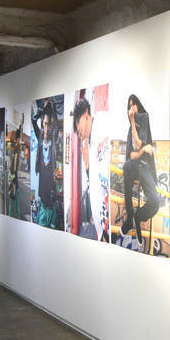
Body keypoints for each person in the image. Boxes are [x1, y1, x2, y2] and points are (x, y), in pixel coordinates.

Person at [120, 94, 158, 247]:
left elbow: (138, 143)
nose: (131, 109)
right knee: (127, 166)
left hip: (145, 166)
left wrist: (140, 150)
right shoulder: (131, 128)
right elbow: (132, 154)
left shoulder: (144, 118)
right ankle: (130, 219)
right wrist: (141, 151)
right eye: (129, 106)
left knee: (155, 202)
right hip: (134, 165)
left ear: (138, 105)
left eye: (133, 105)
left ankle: (138, 216)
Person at [73, 97, 110, 240]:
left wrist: (106, 226)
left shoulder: (101, 123)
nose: (78, 131)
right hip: (101, 226)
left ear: (85, 114)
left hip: (107, 223)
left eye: (77, 124)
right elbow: (95, 182)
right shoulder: (91, 143)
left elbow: (106, 179)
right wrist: (86, 162)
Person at [32, 100, 59, 228]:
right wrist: (42, 110)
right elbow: (33, 120)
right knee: (43, 201)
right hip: (43, 176)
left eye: (49, 124)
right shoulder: (40, 135)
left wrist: (53, 110)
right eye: (45, 124)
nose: (47, 129)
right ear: (42, 124)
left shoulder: (53, 136)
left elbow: (57, 127)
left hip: (51, 177)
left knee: (51, 202)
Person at [8, 124, 22, 218]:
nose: (20, 141)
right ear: (17, 139)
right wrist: (14, 174)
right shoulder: (16, 148)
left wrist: (11, 172)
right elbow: (15, 162)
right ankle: (16, 214)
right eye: (19, 139)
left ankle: (16, 214)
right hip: (14, 173)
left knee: (14, 195)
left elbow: (10, 162)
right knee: (14, 194)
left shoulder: (13, 148)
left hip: (12, 172)